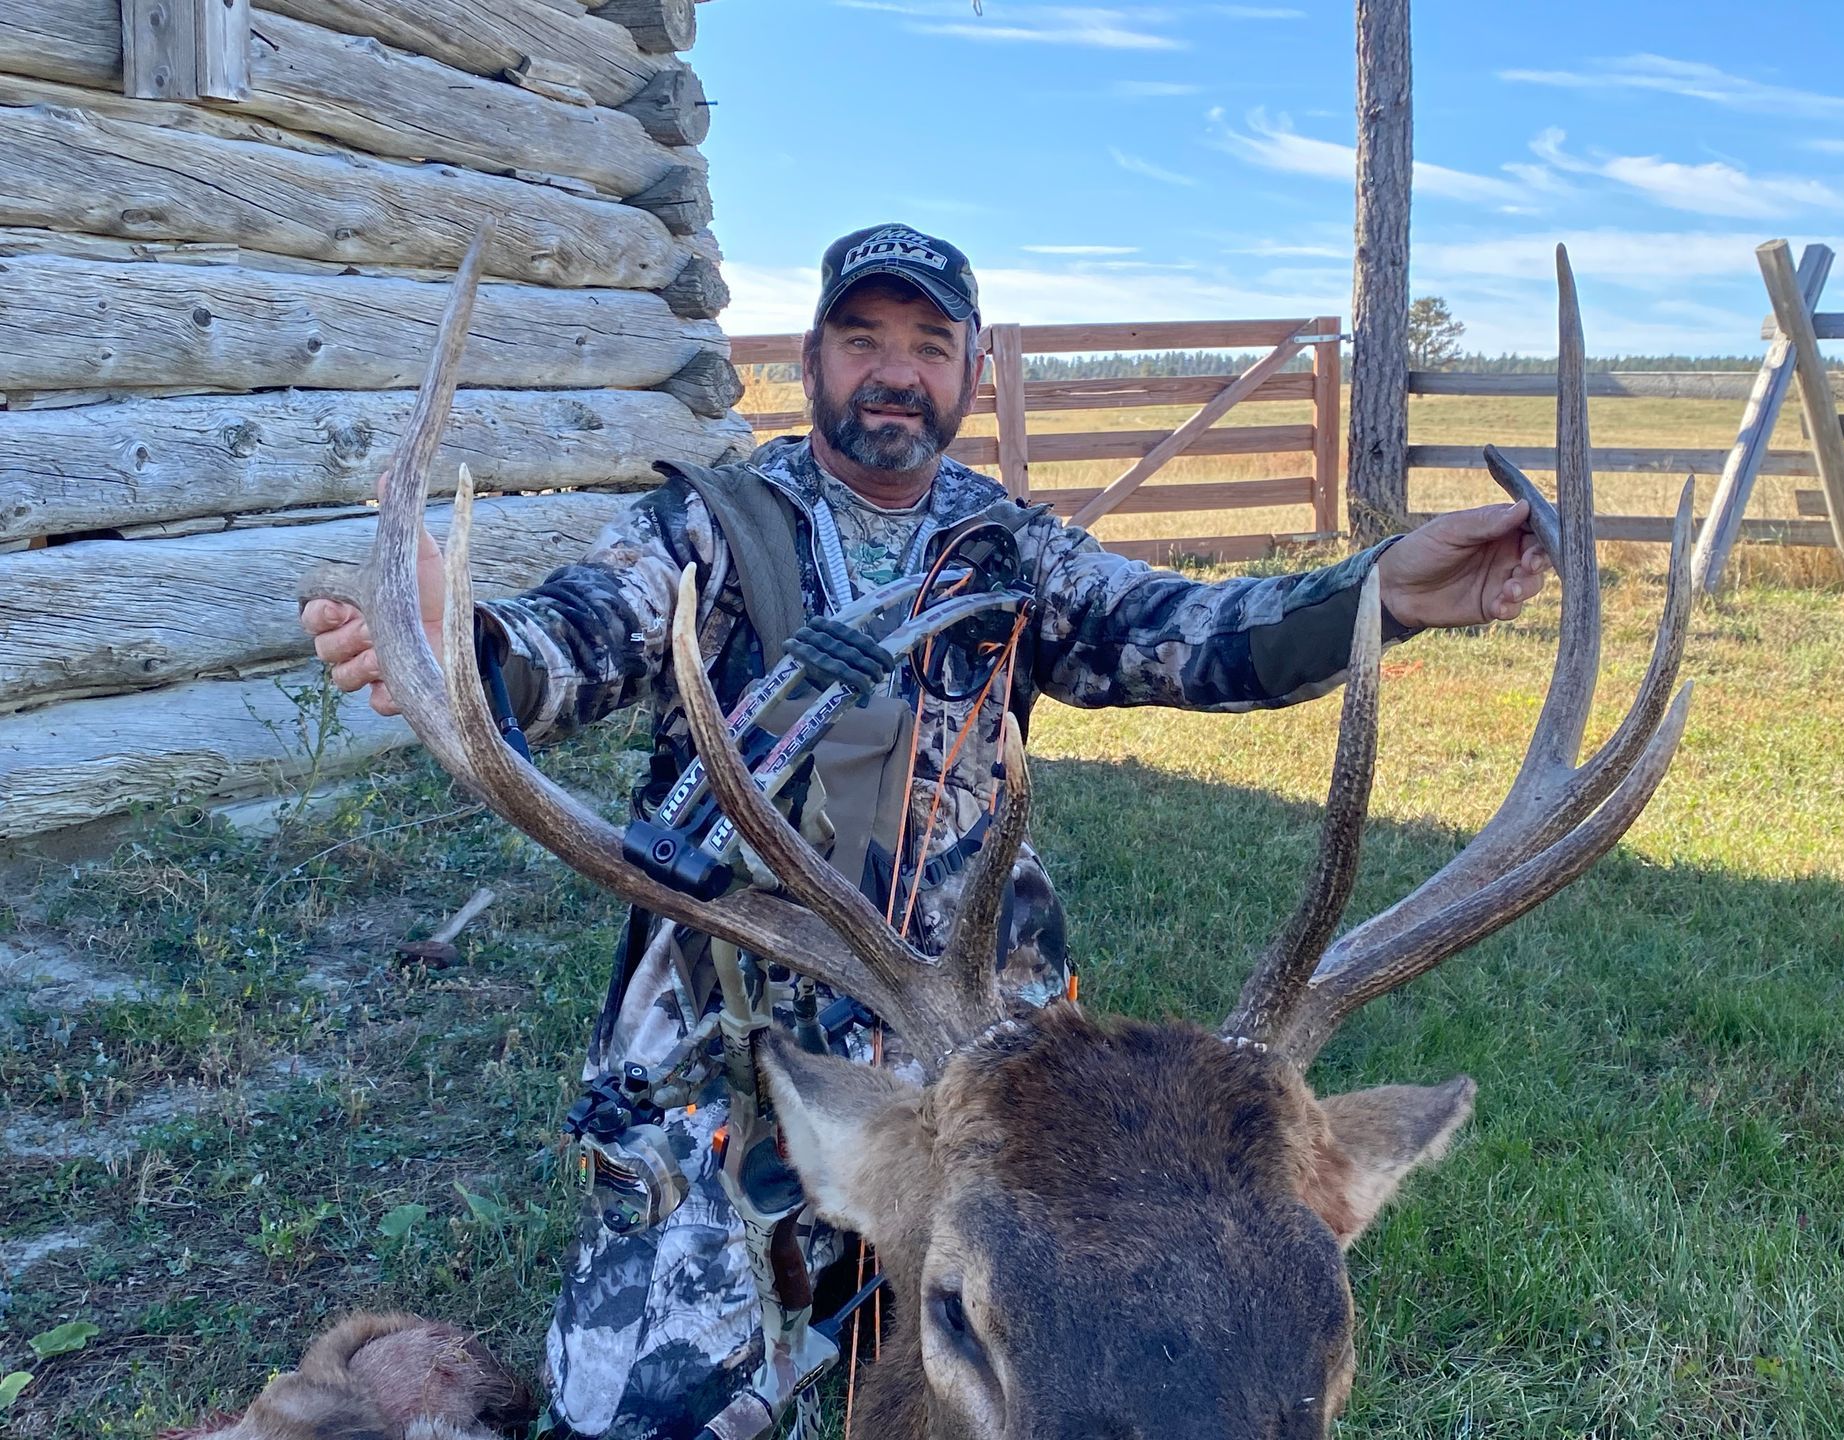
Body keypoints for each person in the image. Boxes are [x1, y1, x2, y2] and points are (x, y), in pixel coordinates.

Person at [299, 222, 1547, 1439]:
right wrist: (468, 647)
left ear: (970, 370)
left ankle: (870, 1271)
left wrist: (1378, 590)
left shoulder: (1012, 550)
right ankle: (823, 1268)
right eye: (862, 339)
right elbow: (576, 637)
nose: (894, 370)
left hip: (980, 1029)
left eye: (928, 344)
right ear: (811, 360)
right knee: (634, 1411)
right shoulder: (711, 527)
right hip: (736, 996)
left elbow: (1190, 632)